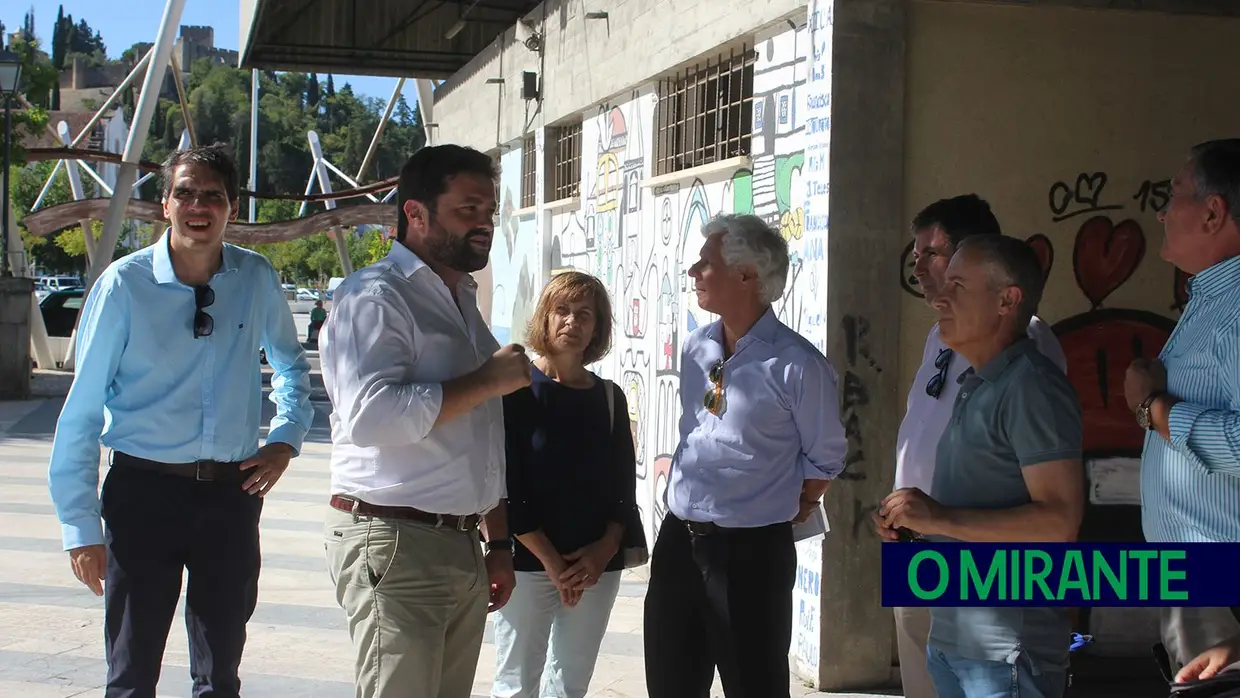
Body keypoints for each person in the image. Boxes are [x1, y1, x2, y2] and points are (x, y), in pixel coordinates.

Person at [46, 143, 315, 698]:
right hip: (142, 494)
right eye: (185, 192)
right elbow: (83, 408)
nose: (199, 205)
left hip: (230, 497)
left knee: (220, 676)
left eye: (212, 195)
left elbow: (291, 367)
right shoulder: (124, 285)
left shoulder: (255, 277)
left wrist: (285, 439)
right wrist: (80, 528)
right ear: (164, 204)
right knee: (131, 672)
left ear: (231, 208)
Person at [319, 144, 531, 698]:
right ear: (415, 214)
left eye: (489, 210)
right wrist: (489, 380)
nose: (484, 224)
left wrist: (498, 543)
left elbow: (479, 435)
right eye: (468, 210)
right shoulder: (374, 296)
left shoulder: (459, 296)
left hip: (459, 543)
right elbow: (371, 415)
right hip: (394, 540)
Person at [643, 213, 848, 698]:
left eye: (705, 263)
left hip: (751, 552)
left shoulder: (798, 364)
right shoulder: (697, 347)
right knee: (670, 683)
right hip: (678, 544)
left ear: (746, 276)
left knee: (754, 685)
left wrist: (770, 506)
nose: (693, 272)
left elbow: (825, 460)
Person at [877, 235, 1084, 698]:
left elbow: (1060, 521)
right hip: (956, 639)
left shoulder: (1031, 387)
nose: (939, 297)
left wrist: (940, 517)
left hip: (1006, 650)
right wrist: (912, 522)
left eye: (958, 285)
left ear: (1007, 300)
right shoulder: (977, 381)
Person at [491, 270, 639, 698]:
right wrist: (554, 565)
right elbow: (506, 484)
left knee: (570, 685)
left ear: (597, 327)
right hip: (528, 562)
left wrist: (602, 551)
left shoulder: (610, 397)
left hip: (595, 567)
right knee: (516, 685)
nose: (572, 322)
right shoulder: (516, 390)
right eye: (563, 310)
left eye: (585, 314)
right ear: (545, 317)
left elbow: (622, 490)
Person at [1125, 138, 1240, 673]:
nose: (1162, 212)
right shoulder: (1213, 299)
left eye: (1173, 195)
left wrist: (1154, 408)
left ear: (1215, 211)